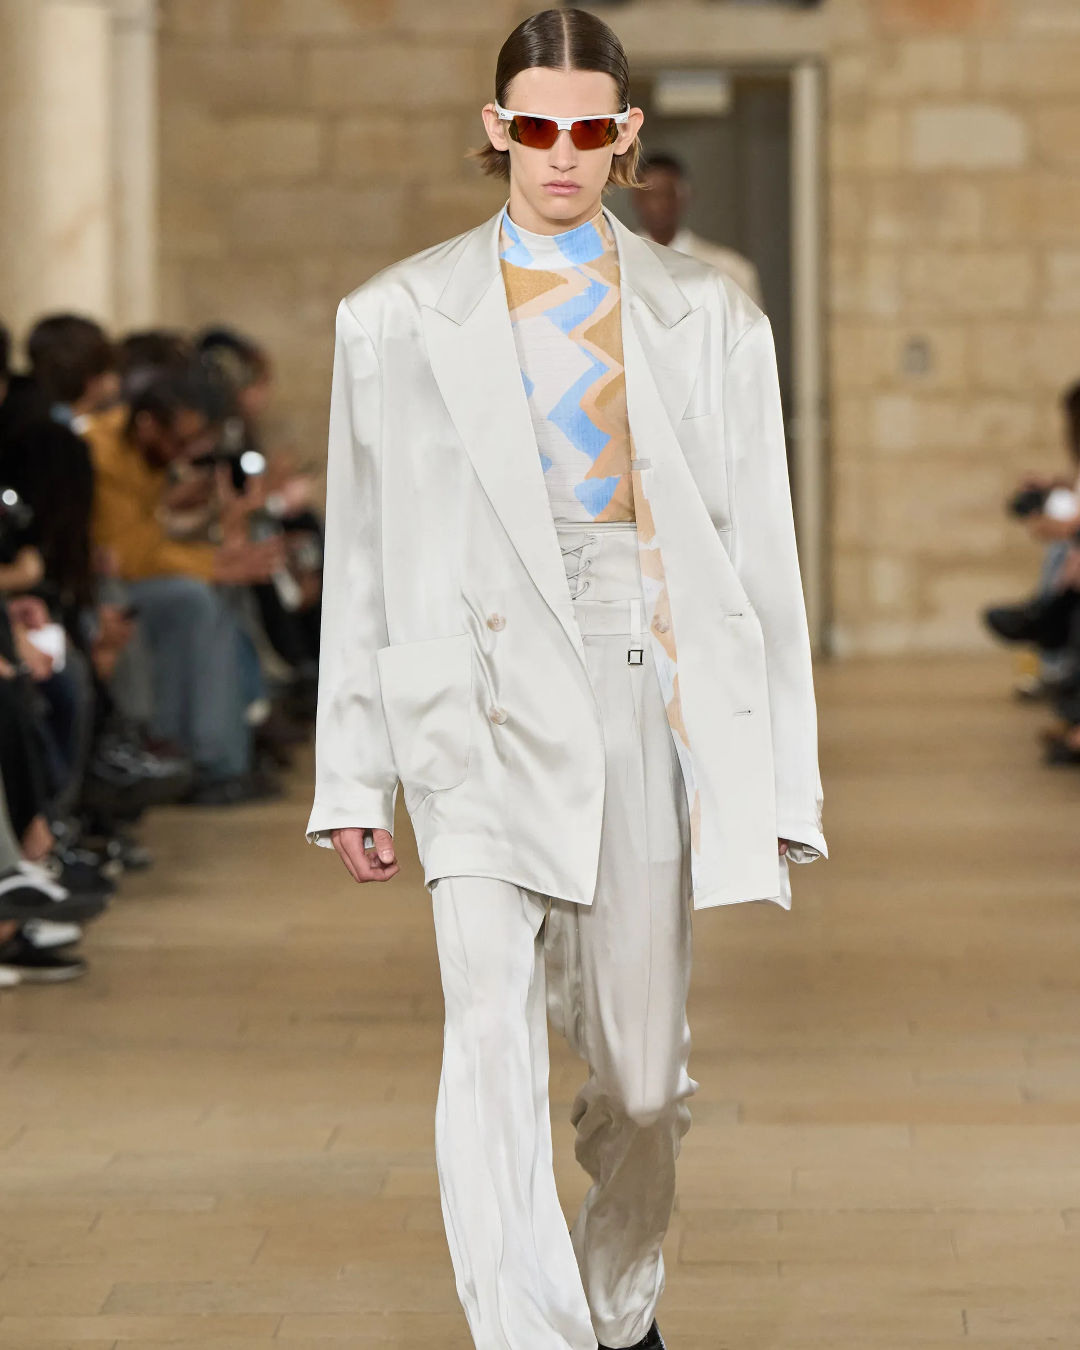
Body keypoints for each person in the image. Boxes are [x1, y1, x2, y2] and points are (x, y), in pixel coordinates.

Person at [306, 9, 827, 1349]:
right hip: (468, 694)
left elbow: (760, 560)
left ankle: (615, 1298)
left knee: (644, 1081)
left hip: (635, 679)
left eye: (587, 128)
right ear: (496, 129)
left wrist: (780, 776)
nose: (560, 152)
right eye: (535, 125)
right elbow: (361, 552)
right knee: (485, 1041)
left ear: (625, 133)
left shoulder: (711, 316)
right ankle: (527, 1334)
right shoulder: (392, 317)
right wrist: (353, 771)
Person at [84, 364, 283, 803]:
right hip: (103, 585)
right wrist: (213, 564)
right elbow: (129, 555)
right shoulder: (102, 451)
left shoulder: (143, 450)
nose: (183, 454)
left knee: (212, 595)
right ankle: (199, 756)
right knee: (193, 598)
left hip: (127, 578)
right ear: (147, 423)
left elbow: (147, 536)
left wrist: (218, 553)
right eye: (179, 440)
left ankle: (223, 757)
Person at [630, 150, 764, 309]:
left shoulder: (730, 271)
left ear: (684, 197)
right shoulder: (615, 267)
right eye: (650, 194)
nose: (659, 204)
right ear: (635, 198)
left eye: (667, 194)